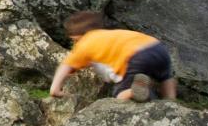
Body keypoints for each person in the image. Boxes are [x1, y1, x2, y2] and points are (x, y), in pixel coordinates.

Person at [49, 10, 177, 102]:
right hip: (158, 48)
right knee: (165, 76)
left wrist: (55, 88)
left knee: (119, 96)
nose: (74, 44)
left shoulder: (85, 43)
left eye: (74, 40)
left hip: (134, 56)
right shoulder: (109, 35)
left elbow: (66, 65)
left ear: (79, 37)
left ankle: (135, 91)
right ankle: (170, 101)